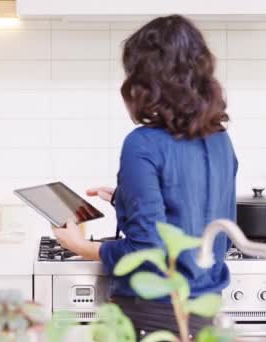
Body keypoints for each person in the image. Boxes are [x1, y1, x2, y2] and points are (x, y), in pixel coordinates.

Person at [52, 14, 237, 336]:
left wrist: (81, 246)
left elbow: (146, 250)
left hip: (152, 314)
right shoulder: (220, 139)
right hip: (204, 309)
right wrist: (127, 198)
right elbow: (195, 211)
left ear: (145, 81)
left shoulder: (142, 142)